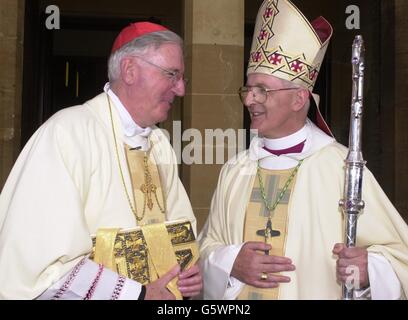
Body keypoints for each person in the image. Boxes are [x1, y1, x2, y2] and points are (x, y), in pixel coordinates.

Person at [198, 0, 408, 300]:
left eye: (262, 91)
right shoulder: (234, 170)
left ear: (299, 99)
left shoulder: (341, 168)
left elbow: (400, 258)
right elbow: (206, 247)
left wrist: (369, 270)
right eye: (248, 90)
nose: (249, 101)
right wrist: (231, 262)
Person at [0, 22, 202, 300]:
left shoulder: (159, 144)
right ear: (130, 70)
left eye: (182, 78)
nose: (180, 89)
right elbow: (41, 268)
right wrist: (138, 295)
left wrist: (187, 271)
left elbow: (178, 231)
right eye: (172, 75)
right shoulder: (68, 133)